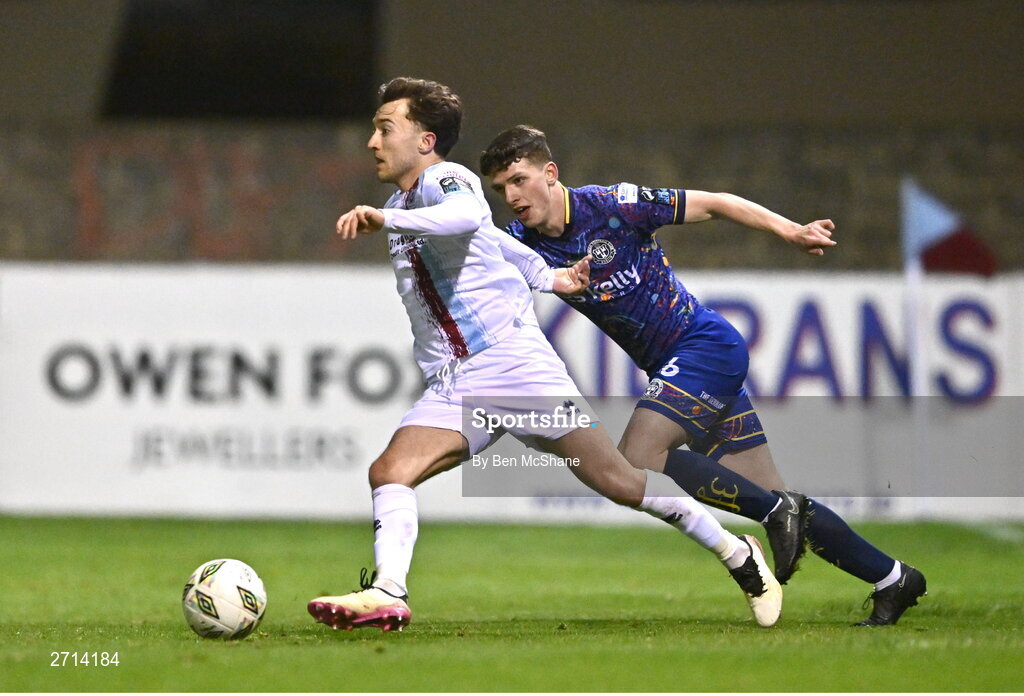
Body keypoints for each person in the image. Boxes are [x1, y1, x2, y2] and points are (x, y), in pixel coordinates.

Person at [307, 78, 787, 631]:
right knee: (390, 471)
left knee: (621, 482)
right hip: (459, 382)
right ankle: (389, 592)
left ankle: (737, 554)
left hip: (514, 366)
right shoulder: (402, 203)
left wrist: (384, 218)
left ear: (424, 140)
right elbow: (493, 238)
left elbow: (467, 219)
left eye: (385, 128)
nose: (372, 140)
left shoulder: (446, 179)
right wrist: (549, 275)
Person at [480, 125, 927, 626]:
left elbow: (716, 202)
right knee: (778, 499)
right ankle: (893, 578)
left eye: (519, 180)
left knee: (638, 457)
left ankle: (779, 514)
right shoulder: (519, 245)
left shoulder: (614, 204)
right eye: (501, 189)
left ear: (550, 173)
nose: (512, 197)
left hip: (704, 348)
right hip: (681, 370)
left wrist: (789, 231)